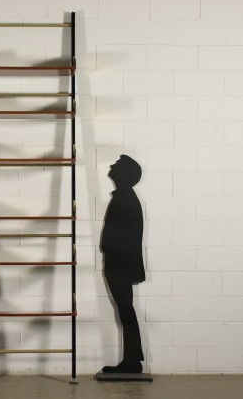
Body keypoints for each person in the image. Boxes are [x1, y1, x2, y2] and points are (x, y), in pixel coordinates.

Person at [101, 155, 145, 374]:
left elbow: (126, 237)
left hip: (120, 265)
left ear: (124, 174)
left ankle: (132, 361)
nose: (111, 166)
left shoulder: (125, 198)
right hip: (120, 263)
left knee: (126, 310)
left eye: (116, 165)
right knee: (126, 310)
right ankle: (132, 359)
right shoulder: (126, 197)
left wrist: (110, 251)